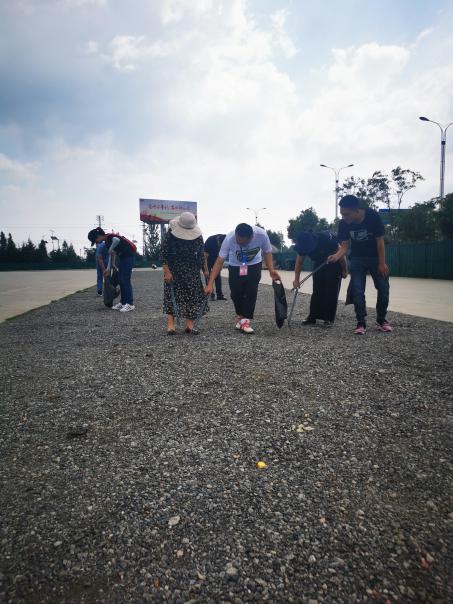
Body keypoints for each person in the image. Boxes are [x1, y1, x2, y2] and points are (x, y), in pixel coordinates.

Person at [327, 195, 392, 335]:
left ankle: (381, 320)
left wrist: (382, 263)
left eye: (346, 214)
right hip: (357, 259)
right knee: (357, 290)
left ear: (357, 211)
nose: (344, 217)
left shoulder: (373, 217)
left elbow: (380, 242)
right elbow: (344, 246)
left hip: (376, 257)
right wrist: (336, 256)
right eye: (342, 214)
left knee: (383, 288)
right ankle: (361, 322)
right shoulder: (343, 224)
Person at [204, 223, 280, 334]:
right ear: (235, 234)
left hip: (254, 264)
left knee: (251, 291)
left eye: (243, 242)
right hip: (235, 265)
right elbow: (219, 261)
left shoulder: (261, 235)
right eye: (238, 241)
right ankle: (240, 315)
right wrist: (210, 283)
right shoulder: (229, 238)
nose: (240, 243)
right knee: (235, 293)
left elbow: (267, 252)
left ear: (251, 237)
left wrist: (271, 270)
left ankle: (245, 321)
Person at [161, 212, 209, 335]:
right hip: (174, 267)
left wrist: (205, 270)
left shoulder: (198, 236)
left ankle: (189, 325)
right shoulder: (170, 233)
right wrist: (167, 271)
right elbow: (164, 254)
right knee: (171, 294)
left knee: (193, 295)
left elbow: (201, 254)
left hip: (192, 268)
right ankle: (171, 325)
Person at [293, 231, 347, 326]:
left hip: (334, 262)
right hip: (318, 263)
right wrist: (296, 280)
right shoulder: (302, 245)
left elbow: (341, 254)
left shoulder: (326, 239)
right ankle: (312, 317)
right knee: (317, 290)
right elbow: (299, 263)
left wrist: (344, 270)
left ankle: (328, 318)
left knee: (331, 291)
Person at [87, 227, 137, 312]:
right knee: (121, 280)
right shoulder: (107, 243)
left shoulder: (110, 237)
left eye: (95, 240)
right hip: (122, 257)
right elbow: (111, 254)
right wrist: (108, 268)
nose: (96, 242)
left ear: (98, 236)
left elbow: (117, 240)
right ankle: (123, 302)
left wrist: (111, 248)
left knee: (125, 279)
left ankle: (130, 304)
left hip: (129, 255)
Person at [204, 234, 227, 301]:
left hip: (216, 259)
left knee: (218, 276)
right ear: (218, 241)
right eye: (220, 245)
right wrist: (206, 270)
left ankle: (219, 295)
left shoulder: (226, 240)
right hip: (207, 259)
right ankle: (211, 294)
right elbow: (204, 257)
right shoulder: (210, 241)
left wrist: (221, 266)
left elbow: (223, 256)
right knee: (208, 276)